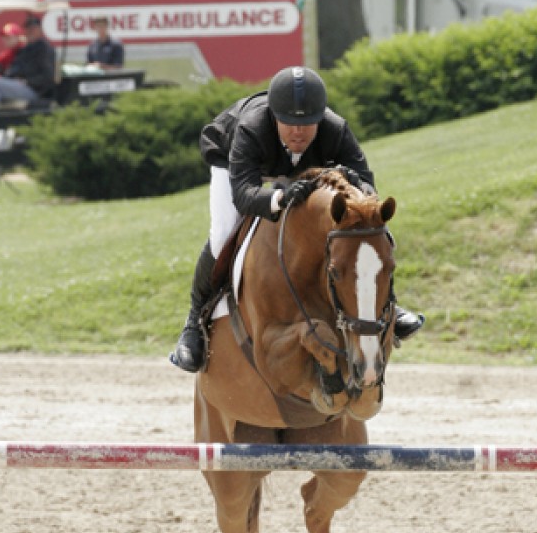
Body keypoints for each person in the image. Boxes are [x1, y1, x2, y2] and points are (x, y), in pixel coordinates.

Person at [170, 65, 424, 373]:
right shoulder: (251, 128)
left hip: (301, 169)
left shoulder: (335, 129)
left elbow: (370, 191)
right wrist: (279, 198)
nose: (298, 132)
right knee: (224, 230)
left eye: (307, 123)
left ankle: (389, 306)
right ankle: (194, 324)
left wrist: (355, 180)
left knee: (370, 228)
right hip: (235, 164)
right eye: (289, 122)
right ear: (274, 116)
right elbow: (243, 193)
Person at [0, 15, 56, 115]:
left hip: (33, 89)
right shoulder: (25, 49)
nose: (30, 31)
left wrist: (27, 81)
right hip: (14, 83)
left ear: (40, 30)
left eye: (33, 29)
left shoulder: (43, 49)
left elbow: (48, 76)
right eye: (28, 28)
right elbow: (0, 65)